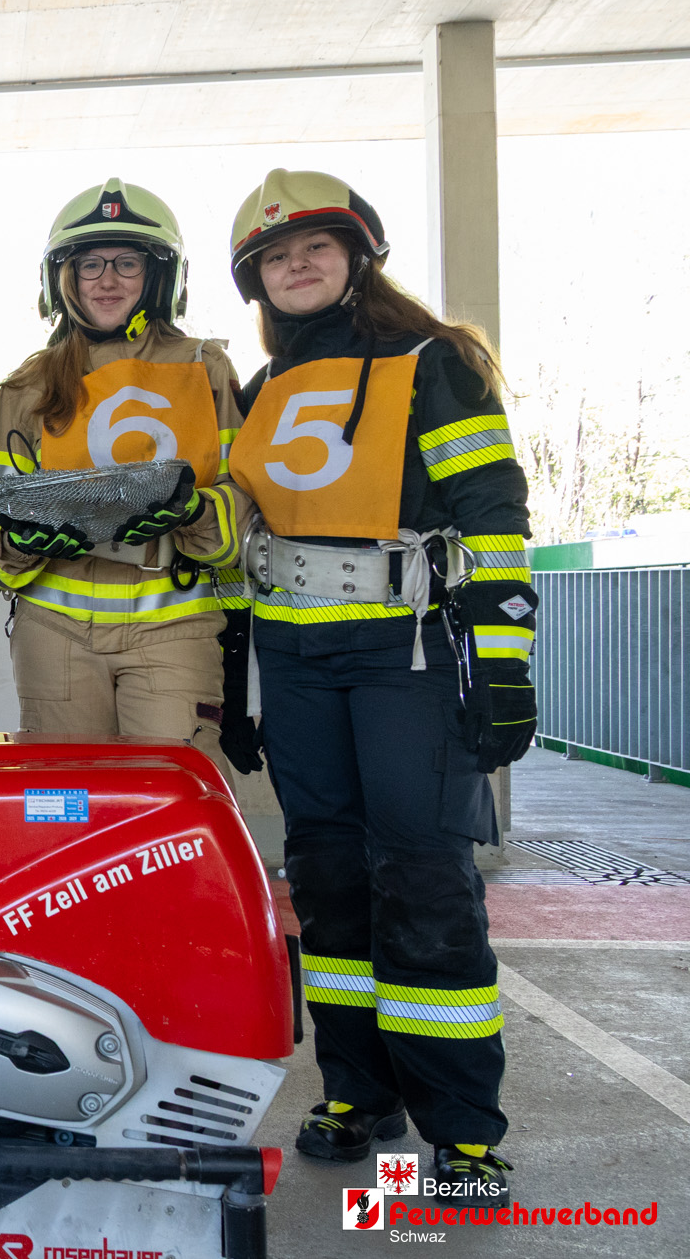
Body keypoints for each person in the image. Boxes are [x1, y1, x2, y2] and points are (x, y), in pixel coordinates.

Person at [225, 169, 534, 1207]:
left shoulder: (430, 363)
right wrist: (235, 681)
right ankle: (357, 1091)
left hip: (404, 658)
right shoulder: (261, 391)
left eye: (315, 246)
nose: (296, 265)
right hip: (295, 664)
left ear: (359, 256)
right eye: (275, 256)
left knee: (424, 876)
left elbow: (492, 512)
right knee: (325, 879)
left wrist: (503, 662)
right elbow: (247, 543)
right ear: (257, 281)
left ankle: (463, 1132)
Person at [0, 179, 252, 770]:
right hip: (55, 633)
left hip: (174, 627)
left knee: (175, 796)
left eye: (127, 263)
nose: (107, 280)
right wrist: (19, 541)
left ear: (160, 277)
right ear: (63, 280)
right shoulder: (27, 386)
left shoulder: (206, 370)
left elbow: (243, 501)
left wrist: (195, 512)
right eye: (90, 264)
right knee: (69, 802)